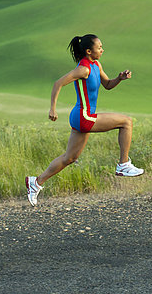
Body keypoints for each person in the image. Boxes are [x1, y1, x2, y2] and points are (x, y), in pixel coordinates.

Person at [26, 34, 144, 206]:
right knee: (126, 122)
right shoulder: (84, 69)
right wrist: (52, 108)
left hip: (81, 116)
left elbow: (108, 85)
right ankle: (123, 164)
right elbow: (58, 83)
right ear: (89, 51)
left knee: (70, 158)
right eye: (99, 47)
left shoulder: (96, 65)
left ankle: (35, 183)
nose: (102, 50)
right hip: (84, 116)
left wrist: (119, 78)